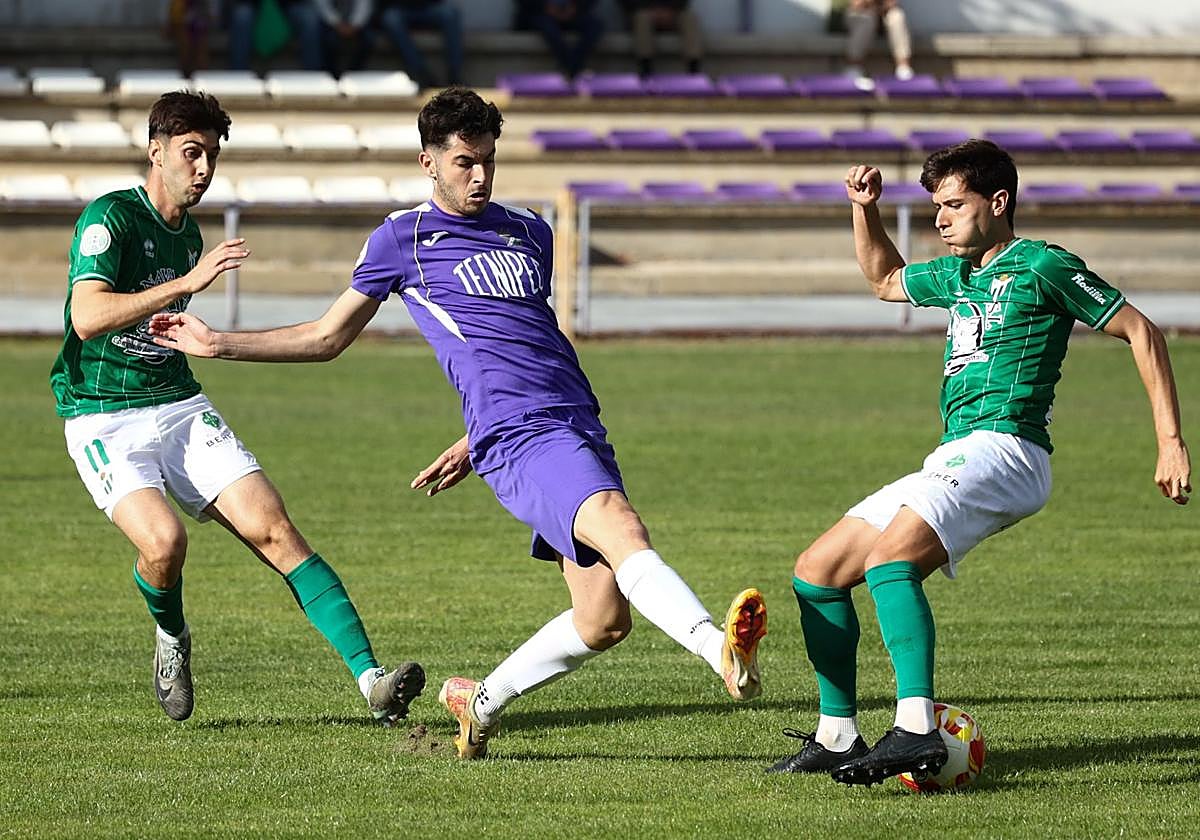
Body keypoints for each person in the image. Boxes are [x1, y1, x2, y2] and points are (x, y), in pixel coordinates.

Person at [148, 86, 769, 759]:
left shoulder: (531, 230)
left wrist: (474, 435)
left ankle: (479, 703)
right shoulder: (402, 237)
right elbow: (327, 337)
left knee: (603, 618)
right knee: (621, 526)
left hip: (572, 421)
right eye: (465, 163)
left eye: (488, 162)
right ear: (430, 163)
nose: (479, 176)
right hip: (524, 436)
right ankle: (719, 651)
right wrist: (218, 344)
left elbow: (522, 340)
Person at [767, 139, 1191, 785]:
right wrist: (865, 209)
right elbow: (885, 281)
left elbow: (1141, 329)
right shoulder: (957, 272)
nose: (941, 218)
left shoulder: (1042, 264)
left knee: (890, 561)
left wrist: (1169, 442)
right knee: (817, 571)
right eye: (936, 205)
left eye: (954, 204)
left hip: (1007, 448)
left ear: (998, 202)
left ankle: (915, 729)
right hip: (958, 449)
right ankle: (837, 735)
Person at [50, 90, 424, 725]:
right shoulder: (110, 219)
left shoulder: (189, 235)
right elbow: (87, 317)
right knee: (163, 544)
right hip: (100, 415)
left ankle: (372, 682)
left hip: (176, 402)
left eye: (211, 157)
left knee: (275, 527)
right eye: (190, 153)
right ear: (155, 150)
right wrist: (185, 284)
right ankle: (171, 635)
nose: (202, 169)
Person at [366, 0, 464, 88]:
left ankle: (454, 76)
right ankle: (421, 74)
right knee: (390, 19)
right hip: (399, 9)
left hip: (427, 7)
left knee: (450, 14)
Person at [225, 0, 326, 71]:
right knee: (241, 16)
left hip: (287, 5)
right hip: (253, 5)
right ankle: (238, 74)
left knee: (309, 18)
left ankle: (313, 75)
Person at [517, 0, 605, 80]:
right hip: (540, 13)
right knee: (549, 30)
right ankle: (572, 71)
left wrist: (575, 7)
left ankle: (571, 70)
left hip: (574, 13)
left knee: (595, 26)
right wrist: (545, 7)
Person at [618, 0, 704, 77]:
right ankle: (646, 69)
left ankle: (694, 69)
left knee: (690, 18)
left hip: (672, 12)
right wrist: (649, 10)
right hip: (642, 12)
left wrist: (669, 10)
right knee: (642, 19)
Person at [844, 0, 914, 89]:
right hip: (862, 13)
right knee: (866, 20)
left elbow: (892, 3)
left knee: (897, 17)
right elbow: (857, 4)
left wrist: (881, 7)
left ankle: (903, 68)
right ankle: (853, 67)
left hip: (884, 12)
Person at [167, 0, 212, 76]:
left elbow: (207, 16)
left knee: (200, 42)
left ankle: (201, 73)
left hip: (198, 26)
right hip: (181, 25)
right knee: (185, 40)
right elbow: (175, 18)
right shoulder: (178, 3)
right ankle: (185, 70)